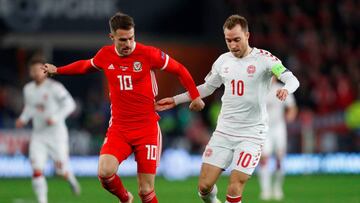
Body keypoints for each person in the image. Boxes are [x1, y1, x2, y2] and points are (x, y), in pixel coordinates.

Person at [41, 12, 204, 203]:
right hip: (120, 128)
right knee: (104, 173)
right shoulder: (105, 55)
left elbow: (179, 69)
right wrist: (58, 70)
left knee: (146, 191)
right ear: (112, 38)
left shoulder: (148, 53)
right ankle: (125, 198)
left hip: (147, 129)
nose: (128, 44)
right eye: (123, 40)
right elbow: (86, 66)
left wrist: (195, 96)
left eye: (131, 38)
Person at [155, 15, 300, 203]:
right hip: (224, 131)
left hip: (252, 133)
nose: (232, 45)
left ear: (247, 35)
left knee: (234, 187)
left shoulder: (264, 59)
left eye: (237, 39)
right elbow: (207, 87)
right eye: (228, 40)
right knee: (204, 187)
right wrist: (176, 100)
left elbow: (292, 79)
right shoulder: (223, 61)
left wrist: (286, 89)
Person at [15, 59, 80, 203]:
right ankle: (42, 201)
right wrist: (23, 119)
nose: (36, 73)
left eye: (39, 69)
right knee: (37, 168)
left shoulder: (55, 87)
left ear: (45, 70)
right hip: (38, 135)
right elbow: (30, 107)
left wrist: (56, 117)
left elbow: (70, 104)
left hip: (56, 135)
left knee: (60, 171)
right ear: (30, 72)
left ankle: (70, 178)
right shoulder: (28, 89)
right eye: (33, 70)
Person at [258, 77, 298, 201]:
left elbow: (292, 107)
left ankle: (277, 188)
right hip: (264, 129)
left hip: (279, 128)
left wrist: (290, 116)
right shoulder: (259, 89)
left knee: (280, 158)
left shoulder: (281, 89)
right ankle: (265, 190)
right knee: (264, 158)